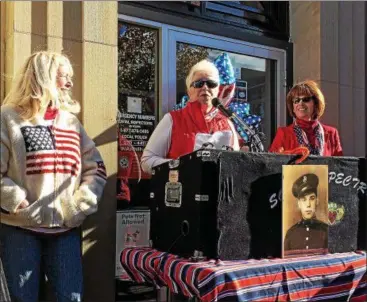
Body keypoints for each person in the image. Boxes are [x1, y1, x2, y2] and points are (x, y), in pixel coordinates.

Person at [0, 51, 107, 302]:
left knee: (70, 298)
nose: (70, 83)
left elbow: (97, 169)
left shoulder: (70, 122)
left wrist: (78, 205)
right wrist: (15, 199)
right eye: (63, 76)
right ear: (43, 76)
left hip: (66, 231)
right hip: (19, 230)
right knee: (20, 298)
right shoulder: (8, 117)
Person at [141, 60, 240, 173]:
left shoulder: (227, 123)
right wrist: (181, 166)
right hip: (181, 188)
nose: (205, 87)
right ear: (189, 91)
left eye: (211, 83)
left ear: (217, 90)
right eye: (198, 83)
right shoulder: (172, 119)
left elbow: (235, 165)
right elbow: (147, 161)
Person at [269, 80, 343, 156]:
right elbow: (273, 164)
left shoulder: (332, 133)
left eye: (306, 99)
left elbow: (339, 165)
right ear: (293, 108)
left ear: (316, 103)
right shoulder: (283, 133)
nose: (300, 103)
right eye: (296, 100)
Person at [284, 173, 328, 253]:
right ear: (299, 204)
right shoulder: (291, 233)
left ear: (317, 201)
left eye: (312, 198)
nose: (308, 205)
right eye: (304, 200)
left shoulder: (326, 230)